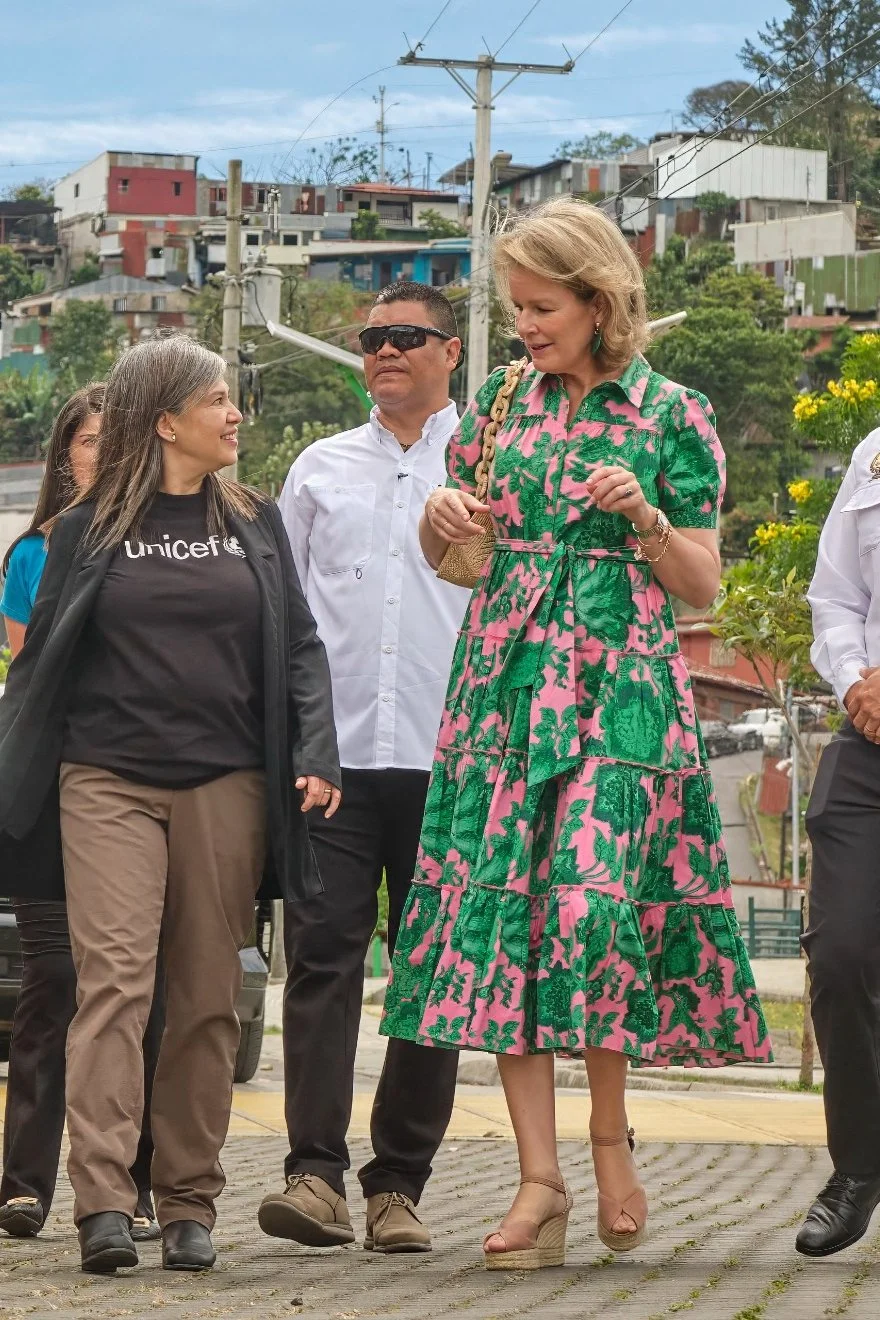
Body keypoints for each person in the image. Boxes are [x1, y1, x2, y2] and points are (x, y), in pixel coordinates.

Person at [380, 198, 772, 1270]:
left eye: (540, 308)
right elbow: (452, 553)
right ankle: (537, 1182)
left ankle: (610, 1143)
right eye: (515, 311)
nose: (524, 330)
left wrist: (643, 515)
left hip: (623, 693)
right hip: (503, 686)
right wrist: (441, 520)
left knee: (594, 912)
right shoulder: (501, 403)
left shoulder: (671, 414)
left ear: (601, 302)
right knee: (509, 921)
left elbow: (701, 586)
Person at [0, 333, 340, 1275]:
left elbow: (301, 648)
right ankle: (103, 1200)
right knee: (115, 979)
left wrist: (316, 749)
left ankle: (189, 1200)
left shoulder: (254, 523)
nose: (236, 415)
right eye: (220, 400)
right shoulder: (86, 530)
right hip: (105, 780)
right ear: (166, 421)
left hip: (227, 780)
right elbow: (40, 668)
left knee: (204, 994)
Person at [258, 282, 468, 1254]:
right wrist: (292, 748)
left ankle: (398, 1187)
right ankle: (313, 1178)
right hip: (333, 763)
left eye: (405, 338)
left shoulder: (486, 466)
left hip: (452, 762)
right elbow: (283, 626)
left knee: (429, 975)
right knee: (323, 962)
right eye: (372, 339)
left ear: (450, 352)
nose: (384, 351)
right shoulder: (317, 470)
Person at [0, 383, 163, 1245]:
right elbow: (35, 683)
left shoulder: (170, 541)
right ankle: (23, 1180)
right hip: (52, 794)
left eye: (116, 439)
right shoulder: (37, 551)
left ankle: (131, 1181)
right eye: (87, 441)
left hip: (141, 791)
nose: (100, 453)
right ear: (66, 455)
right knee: (56, 981)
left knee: (139, 990)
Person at [798, 434, 880, 1257]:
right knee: (843, 954)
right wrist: (855, 679)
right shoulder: (873, 454)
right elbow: (836, 594)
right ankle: (858, 1166)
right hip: (868, 743)